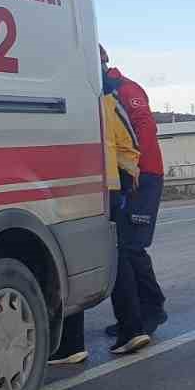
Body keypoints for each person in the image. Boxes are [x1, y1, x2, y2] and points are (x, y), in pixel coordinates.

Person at [50, 61, 146, 363]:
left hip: (76, 185)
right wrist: (126, 177)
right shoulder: (108, 97)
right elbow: (128, 142)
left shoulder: (67, 92)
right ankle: (132, 328)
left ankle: (71, 344)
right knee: (115, 257)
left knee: (70, 257)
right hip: (107, 187)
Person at [101, 46, 169, 343]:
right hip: (127, 177)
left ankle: (152, 309)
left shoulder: (125, 90)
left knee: (131, 247)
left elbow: (144, 128)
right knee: (124, 248)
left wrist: (135, 169)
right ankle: (136, 314)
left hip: (144, 175)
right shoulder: (105, 91)